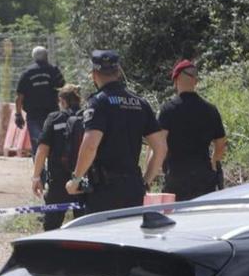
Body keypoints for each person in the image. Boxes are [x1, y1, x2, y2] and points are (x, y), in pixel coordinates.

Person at [66, 50, 167, 214]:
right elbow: (161, 148)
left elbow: (91, 145)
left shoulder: (98, 103)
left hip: (104, 190)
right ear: (118, 72)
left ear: (93, 74)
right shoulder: (140, 103)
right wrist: (146, 181)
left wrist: (75, 180)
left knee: (102, 238)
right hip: (133, 188)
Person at [158, 59, 227, 200]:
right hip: (205, 177)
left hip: (177, 178)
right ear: (196, 82)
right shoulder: (210, 109)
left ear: (175, 80)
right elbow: (221, 144)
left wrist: (155, 170)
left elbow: (159, 145)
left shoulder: (168, 110)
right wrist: (213, 162)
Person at [31, 84, 85, 231]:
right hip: (83, 179)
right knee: (85, 226)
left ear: (62, 100)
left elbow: (42, 150)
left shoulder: (54, 118)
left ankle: (52, 253)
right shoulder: (87, 117)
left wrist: (36, 177)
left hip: (58, 180)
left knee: (51, 226)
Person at [16, 46, 65, 156]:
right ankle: (53, 169)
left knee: (37, 143)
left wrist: (18, 115)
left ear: (33, 57)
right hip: (52, 113)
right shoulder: (54, 70)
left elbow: (19, 97)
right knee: (54, 142)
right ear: (46, 56)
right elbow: (63, 90)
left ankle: (40, 171)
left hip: (33, 115)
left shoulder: (27, 73)